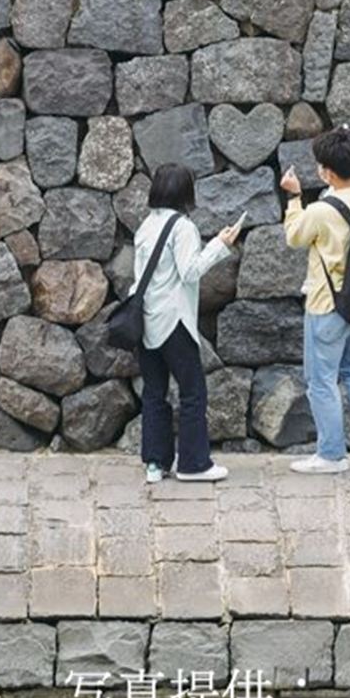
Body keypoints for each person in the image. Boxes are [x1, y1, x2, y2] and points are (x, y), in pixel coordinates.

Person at [280, 127, 350, 476]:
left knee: (322, 379)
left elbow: (294, 237)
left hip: (327, 304)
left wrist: (294, 197)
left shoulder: (322, 209)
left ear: (327, 172)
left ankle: (331, 454)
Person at [131, 163, 242, 484]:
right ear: (185, 192)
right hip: (174, 320)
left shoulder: (145, 226)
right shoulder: (183, 228)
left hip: (146, 320)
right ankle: (193, 464)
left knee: (154, 391)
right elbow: (190, 272)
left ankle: (155, 463)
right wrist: (221, 245)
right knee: (193, 392)